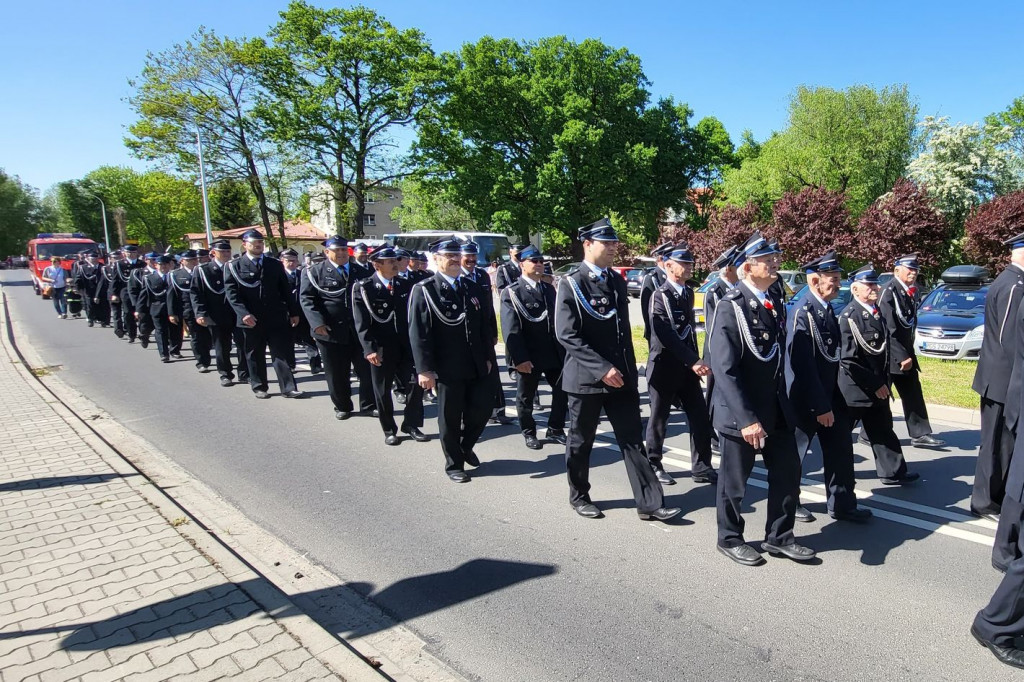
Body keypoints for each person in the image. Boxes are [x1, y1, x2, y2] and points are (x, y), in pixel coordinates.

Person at [554, 218, 679, 522]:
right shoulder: (571, 283)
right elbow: (566, 334)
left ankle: (650, 503)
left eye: (614, 243)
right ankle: (579, 495)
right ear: (588, 244)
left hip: (620, 378)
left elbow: (622, 330)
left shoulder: (616, 280)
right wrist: (601, 368)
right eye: (606, 243)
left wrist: (625, 370)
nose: (613, 248)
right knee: (581, 441)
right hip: (586, 379)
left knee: (632, 439)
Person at [709, 231, 812, 566]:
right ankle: (729, 537)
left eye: (774, 258)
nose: (775, 264)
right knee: (734, 483)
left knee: (786, 473)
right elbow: (725, 369)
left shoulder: (775, 301)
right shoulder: (730, 307)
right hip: (743, 413)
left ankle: (779, 537)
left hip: (776, 409)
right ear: (748, 268)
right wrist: (746, 419)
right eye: (767, 260)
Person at [785, 251, 872, 523]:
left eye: (838, 278)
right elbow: (803, 364)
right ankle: (790, 503)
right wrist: (821, 405)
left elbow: (832, 356)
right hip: (806, 398)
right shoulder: (803, 312)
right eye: (832, 279)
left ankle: (843, 504)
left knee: (841, 449)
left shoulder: (826, 308)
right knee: (795, 457)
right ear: (815, 281)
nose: (838, 283)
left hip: (830, 394)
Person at [409, 238, 495, 482]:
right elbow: (419, 333)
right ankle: (454, 464)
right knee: (450, 417)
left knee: (482, 408)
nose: (456, 260)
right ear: (436, 259)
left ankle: (465, 446)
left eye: (457, 256)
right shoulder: (425, 289)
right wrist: (425, 369)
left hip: (476, 362)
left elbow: (483, 326)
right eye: (450, 256)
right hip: (447, 366)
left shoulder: (471, 286)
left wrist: (488, 357)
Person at [838, 264, 919, 485]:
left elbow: (884, 347)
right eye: (869, 285)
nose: (875, 288)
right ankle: (839, 478)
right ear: (855, 289)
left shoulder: (876, 312)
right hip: (855, 389)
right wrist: (874, 384)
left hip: (878, 386)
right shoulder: (850, 317)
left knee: (883, 430)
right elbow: (849, 360)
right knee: (840, 437)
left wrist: (885, 380)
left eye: (875, 283)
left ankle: (893, 472)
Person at [644, 243, 717, 486]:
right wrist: (693, 360)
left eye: (690, 263)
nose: (689, 267)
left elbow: (688, 333)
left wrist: (694, 361)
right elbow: (666, 335)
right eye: (684, 263)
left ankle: (701, 467)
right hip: (664, 366)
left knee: (699, 416)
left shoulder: (686, 293)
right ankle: (653, 463)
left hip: (686, 369)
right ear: (668, 266)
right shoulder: (660, 295)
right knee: (659, 420)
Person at [973, 233, 1024, 530]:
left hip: (1002, 377)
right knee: (993, 443)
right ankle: (983, 501)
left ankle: (996, 495)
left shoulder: (1011, 281)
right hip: (1002, 377)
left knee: (1002, 443)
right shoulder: (1013, 285)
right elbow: (1007, 338)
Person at [352, 245, 427, 445]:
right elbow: (361, 322)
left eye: (396, 260)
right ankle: (389, 429)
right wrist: (369, 349)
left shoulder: (405, 284)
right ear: (377, 265)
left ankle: (411, 424)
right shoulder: (364, 287)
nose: (396, 264)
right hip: (381, 348)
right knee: (382, 390)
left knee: (414, 385)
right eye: (391, 261)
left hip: (406, 346)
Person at [499, 244, 567, 450]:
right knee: (526, 396)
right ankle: (529, 432)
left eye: (541, 261)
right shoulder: (513, 292)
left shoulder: (548, 289)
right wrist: (519, 358)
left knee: (562, 391)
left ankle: (555, 428)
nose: (539, 265)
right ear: (522, 264)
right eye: (534, 261)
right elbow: (511, 329)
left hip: (552, 352)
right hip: (528, 354)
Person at [223, 230, 304, 400]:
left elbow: (285, 290)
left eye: (260, 242)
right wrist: (243, 314)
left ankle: (288, 387)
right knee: (255, 353)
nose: (258, 245)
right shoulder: (234, 266)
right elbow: (232, 295)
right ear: (245, 244)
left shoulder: (274, 264)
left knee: (280, 352)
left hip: (275, 316)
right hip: (251, 318)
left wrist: (293, 312)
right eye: (254, 242)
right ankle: (259, 386)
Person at [299, 236, 374, 418]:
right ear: (327, 252)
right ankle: (342, 406)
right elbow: (307, 299)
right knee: (336, 373)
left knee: (366, 371)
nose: (341, 253)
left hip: (359, 331)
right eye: (336, 250)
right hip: (330, 331)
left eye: (343, 250)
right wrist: (318, 324)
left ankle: (368, 405)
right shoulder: (314, 272)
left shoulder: (361, 271)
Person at [877, 253, 945, 447]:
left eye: (915, 269)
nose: (913, 273)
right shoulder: (889, 292)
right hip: (890, 354)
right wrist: (901, 356)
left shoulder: (911, 291)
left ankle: (920, 433)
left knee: (913, 392)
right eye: (909, 269)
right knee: (879, 397)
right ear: (897, 270)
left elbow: (908, 324)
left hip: (905, 351)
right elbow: (888, 328)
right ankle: (866, 432)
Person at [460, 240, 513, 426]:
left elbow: (489, 306)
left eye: (474, 256)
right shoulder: (457, 277)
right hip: (467, 333)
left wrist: (492, 329)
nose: (472, 259)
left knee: (493, 374)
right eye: (468, 256)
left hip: (485, 331)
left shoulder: (482, 275)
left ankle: (498, 410)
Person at [703, 245, 741, 455]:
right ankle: (711, 435)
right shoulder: (714, 291)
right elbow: (713, 326)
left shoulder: (735, 289)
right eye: (737, 266)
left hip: (733, 351)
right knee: (714, 395)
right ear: (728, 269)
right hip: (716, 352)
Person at [191, 240, 244, 386]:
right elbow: (196, 293)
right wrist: (200, 313)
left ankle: (244, 372)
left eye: (228, 251)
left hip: (237, 313)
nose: (226, 254)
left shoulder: (236, 267)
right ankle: (225, 373)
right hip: (216, 314)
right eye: (223, 252)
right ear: (213, 253)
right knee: (222, 346)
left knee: (243, 343)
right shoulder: (203, 269)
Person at [169, 249, 211, 372]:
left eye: (194, 259)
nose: (193, 262)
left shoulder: (203, 271)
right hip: (189, 310)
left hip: (206, 309)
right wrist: (172, 313)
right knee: (196, 336)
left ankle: (206, 356)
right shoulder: (176, 274)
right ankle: (201, 362)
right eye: (189, 260)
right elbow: (172, 295)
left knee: (208, 337)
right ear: (182, 261)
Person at [281, 248, 322, 374]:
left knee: (309, 340)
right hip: (287, 314)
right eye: (289, 261)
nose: (292, 263)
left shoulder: (303, 274)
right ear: (282, 261)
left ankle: (315, 364)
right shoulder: (280, 276)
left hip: (303, 314)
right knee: (288, 342)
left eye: (294, 260)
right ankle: (290, 364)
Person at [138, 255, 175, 363]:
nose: (163, 266)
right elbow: (143, 295)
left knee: (174, 332)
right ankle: (164, 354)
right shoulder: (149, 278)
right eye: (160, 265)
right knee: (160, 331)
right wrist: (139, 310)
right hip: (157, 309)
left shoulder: (174, 276)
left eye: (165, 264)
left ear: (169, 265)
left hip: (173, 309)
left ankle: (175, 350)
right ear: (156, 266)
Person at [111, 245, 146, 343]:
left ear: (137, 253)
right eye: (129, 252)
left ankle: (143, 333)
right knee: (128, 313)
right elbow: (115, 280)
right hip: (125, 290)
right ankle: (131, 334)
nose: (131, 254)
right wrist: (114, 294)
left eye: (133, 252)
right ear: (124, 253)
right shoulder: (120, 264)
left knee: (143, 313)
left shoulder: (142, 264)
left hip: (140, 291)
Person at [639, 243, 673, 342]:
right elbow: (646, 308)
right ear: (661, 259)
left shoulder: (671, 277)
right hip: (657, 332)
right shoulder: (652, 278)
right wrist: (651, 331)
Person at [128, 252, 158, 348]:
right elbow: (132, 289)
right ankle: (144, 336)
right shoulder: (139, 273)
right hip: (144, 303)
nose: (154, 262)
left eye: (156, 260)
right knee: (145, 324)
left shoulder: (162, 272)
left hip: (158, 303)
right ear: (146, 260)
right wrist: (137, 305)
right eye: (152, 260)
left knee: (160, 326)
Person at [74, 251, 109, 327]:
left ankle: (103, 320)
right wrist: (77, 288)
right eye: (92, 258)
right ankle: (90, 320)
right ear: (88, 259)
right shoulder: (83, 268)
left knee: (102, 305)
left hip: (101, 290)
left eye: (95, 258)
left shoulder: (102, 267)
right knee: (90, 305)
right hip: (89, 289)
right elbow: (78, 278)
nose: (94, 260)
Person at [99, 250, 121, 335]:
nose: (116, 260)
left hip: (123, 293)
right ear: (110, 259)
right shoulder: (106, 269)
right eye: (114, 258)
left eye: (118, 258)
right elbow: (102, 283)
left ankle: (127, 328)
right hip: (112, 293)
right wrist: (97, 295)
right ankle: (118, 329)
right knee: (116, 312)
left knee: (127, 313)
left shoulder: (123, 267)